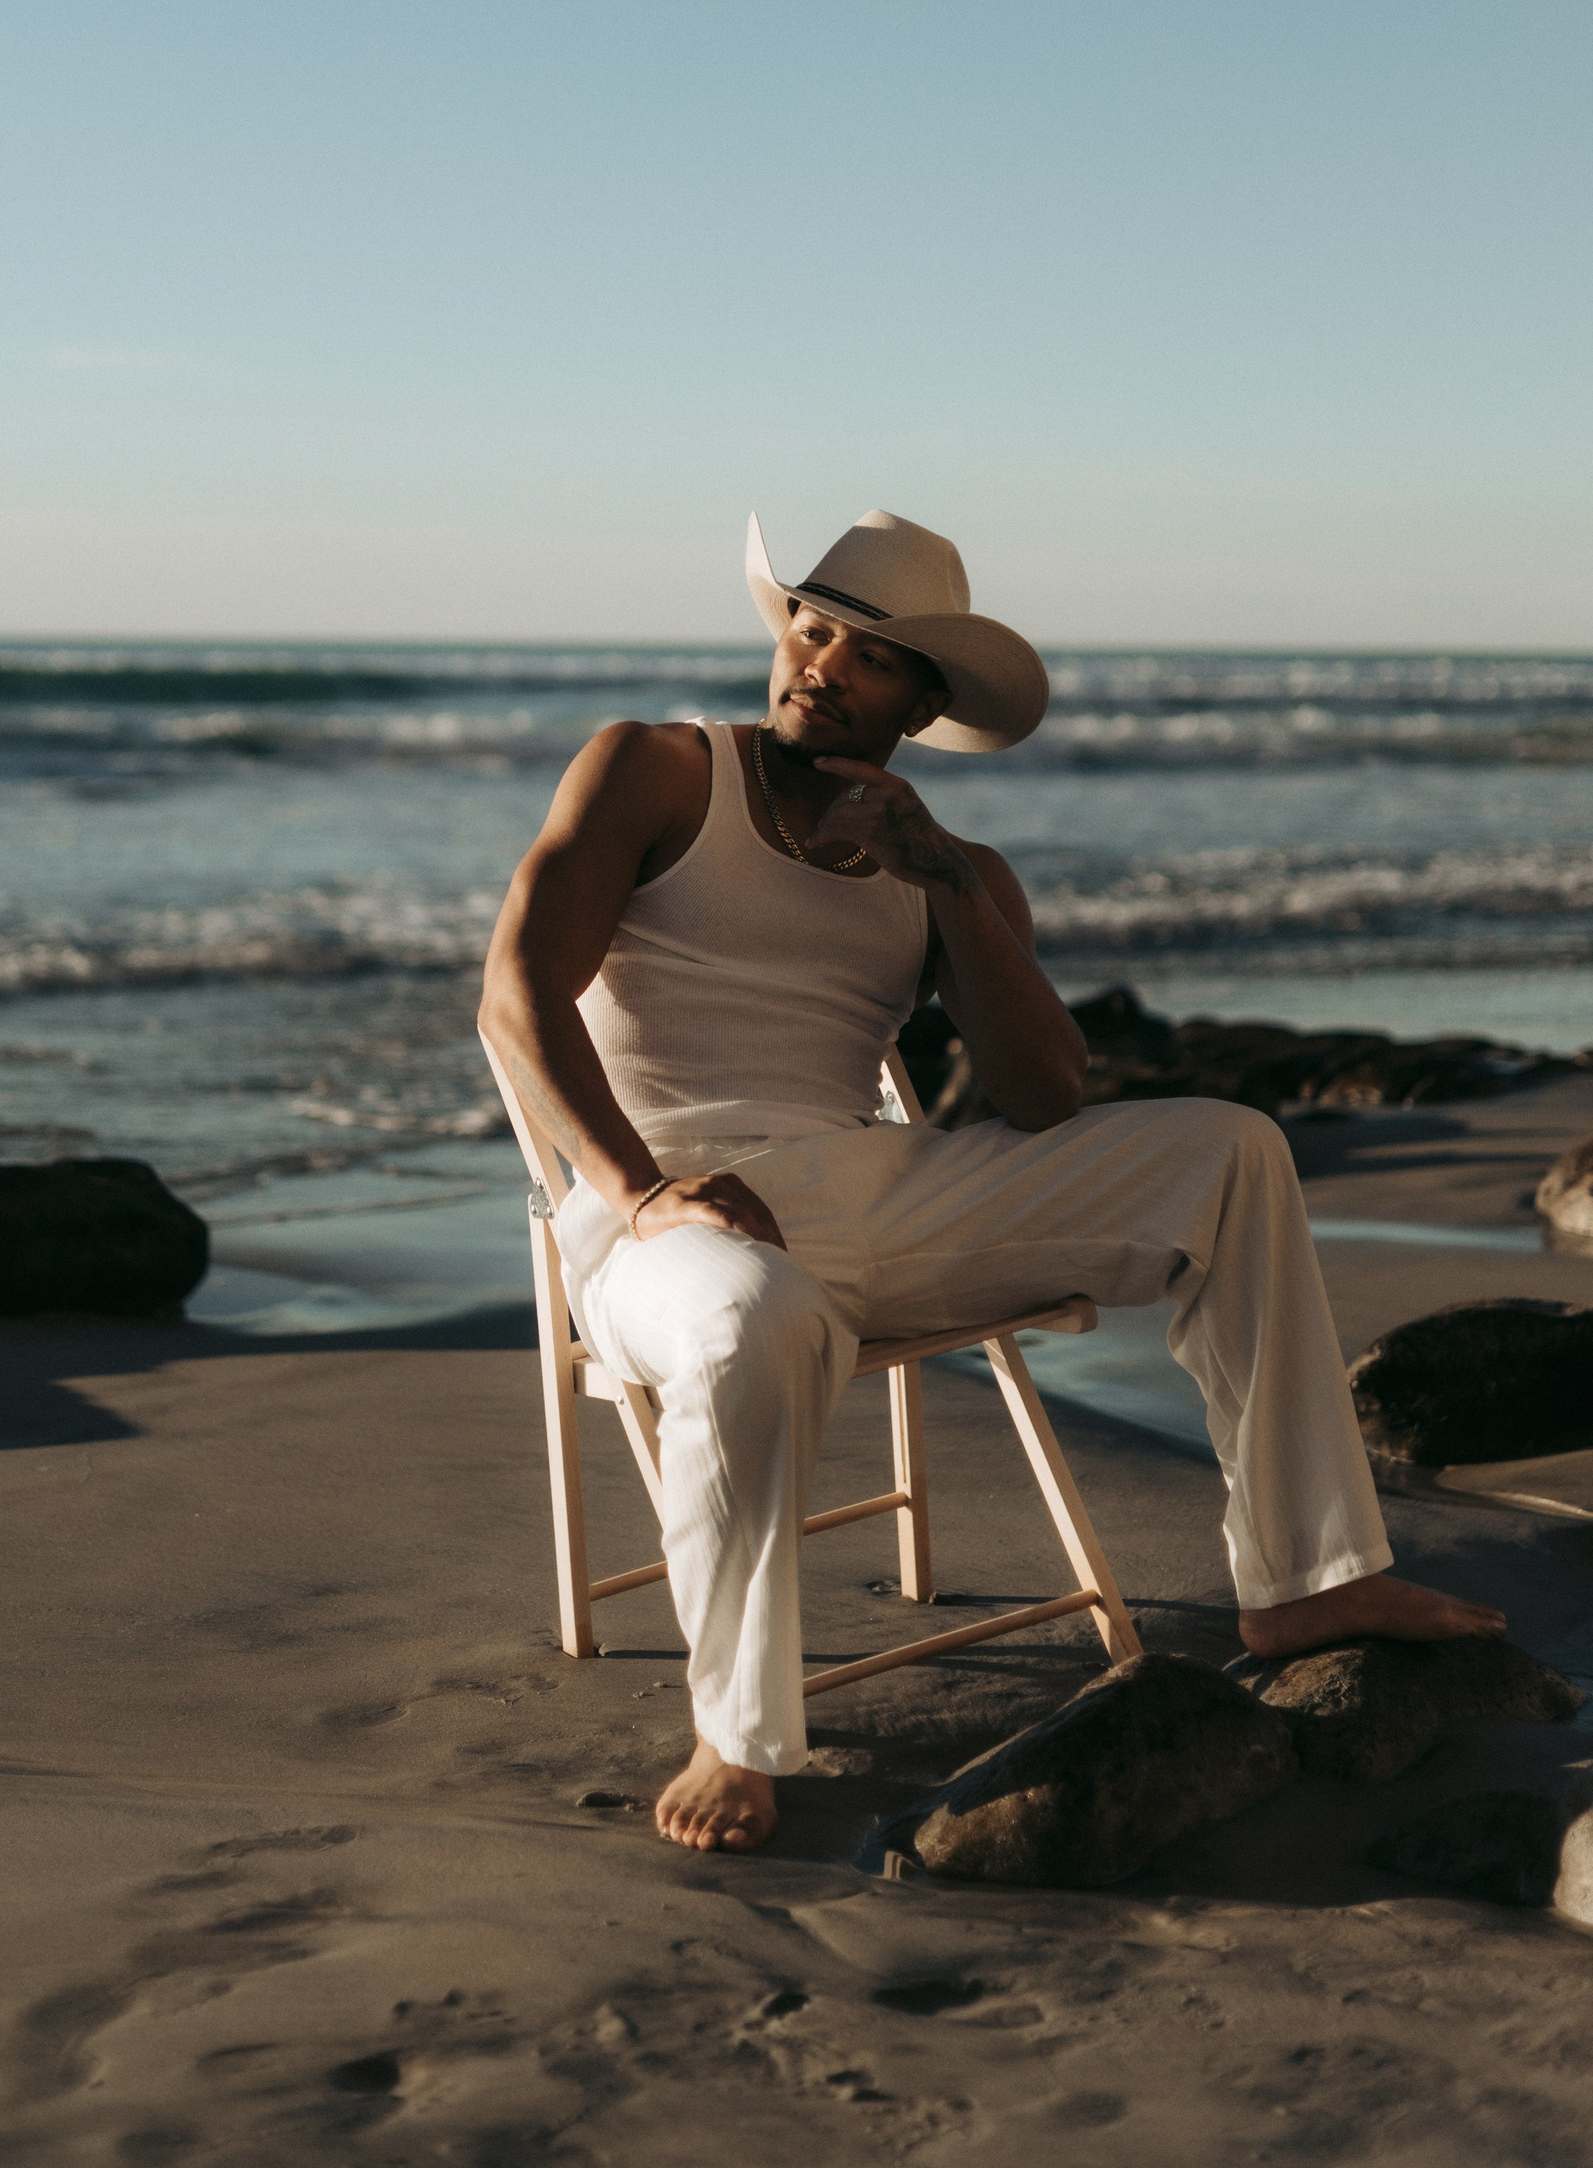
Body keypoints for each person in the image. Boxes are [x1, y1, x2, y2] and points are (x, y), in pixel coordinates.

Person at [480, 507, 1503, 1855]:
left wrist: (950, 883)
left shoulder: (954, 871)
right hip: (669, 1218)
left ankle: (1309, 1579)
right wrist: (640, 1189)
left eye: (870, 655)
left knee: (1233, 1150)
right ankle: (736, 1734)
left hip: (881, 1192)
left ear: (925, 703)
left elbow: (1042, 1096)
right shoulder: (658, 769)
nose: (822, 663)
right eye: (811, 627)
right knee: (751, 1316)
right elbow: (515, 995)